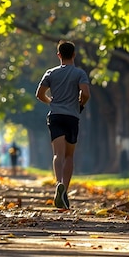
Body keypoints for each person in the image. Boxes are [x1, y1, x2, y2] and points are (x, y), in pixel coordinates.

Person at [35, 40, 90, 209]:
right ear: (74, 54)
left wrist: (51, 101)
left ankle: (58, 183)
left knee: (58, 154)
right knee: (69, 156)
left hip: (56, 116)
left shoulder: (50, 73)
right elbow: (86, 93)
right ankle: (64, 190)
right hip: (72, 117)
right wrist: (80, 104)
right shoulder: (79, 73)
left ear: (59, 55)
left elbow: (39, 94)